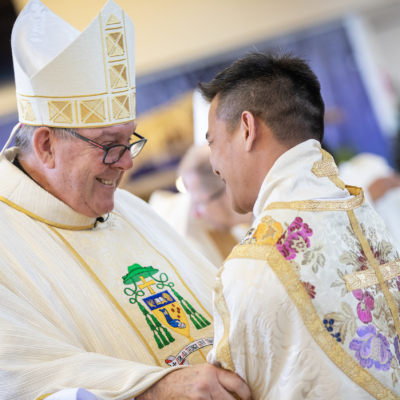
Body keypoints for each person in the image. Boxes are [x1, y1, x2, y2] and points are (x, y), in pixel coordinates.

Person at [0, 1, 250, 400]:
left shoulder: (130, 208)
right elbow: (17, 376)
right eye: (108, 145)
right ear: (46, 146)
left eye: (128, 140)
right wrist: (152, 389)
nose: (127, 163)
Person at [199, 51, 400, 399]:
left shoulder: (252, 265)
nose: (214, 164)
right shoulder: (364, 212)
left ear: (247, 129)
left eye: (212, 143)